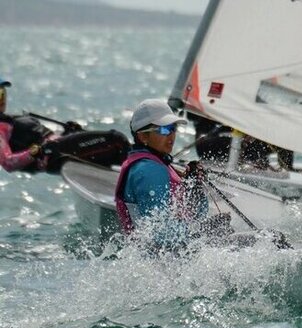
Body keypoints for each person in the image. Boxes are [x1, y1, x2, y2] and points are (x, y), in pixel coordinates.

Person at [115, 99, 232, 253]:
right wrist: (205, 230)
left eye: (173, 128)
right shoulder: (148, 170)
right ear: (143, 137)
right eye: (163, 130)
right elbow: (158, 233)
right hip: (161, 261)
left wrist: (194, 187)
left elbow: (194, 216)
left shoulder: (157, 164)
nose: (171, 135)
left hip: (169, 256)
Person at [0, 75, 128, 173]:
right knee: (116, 140)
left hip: (60, 147)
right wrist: (37, 151)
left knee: (114, 152)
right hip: (55, 155)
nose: (2, 100)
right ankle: (136, 178)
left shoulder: (8, 120)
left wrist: (66, 133)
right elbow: (8, 163)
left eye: (2, 94)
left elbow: (41, 137)